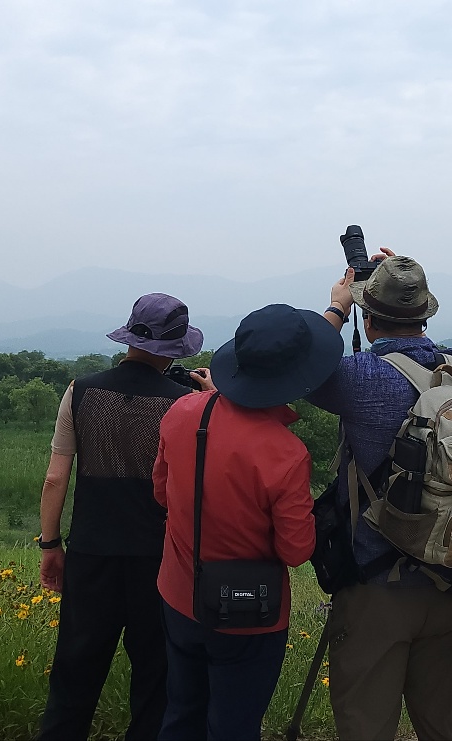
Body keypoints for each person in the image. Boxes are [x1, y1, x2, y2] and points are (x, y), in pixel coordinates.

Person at [153, 303, 341, 741]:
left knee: (181, 712)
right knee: (234, 724)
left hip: (179, 591)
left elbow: (161, 493)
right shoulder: (286, 452)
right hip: (248, 612)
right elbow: (296, 551)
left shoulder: (183, 412)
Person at [310, 252, 452, 741]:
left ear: (368, 313)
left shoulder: (358, 378)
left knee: (366, 723)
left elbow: (304, 368)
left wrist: (337, 309)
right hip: (449, 577)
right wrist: (404, 273)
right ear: (425, 311)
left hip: (376, 581)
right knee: (445, 722)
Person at [36, 293, 212, 741]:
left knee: (74, 671)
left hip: (92, 551)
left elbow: (56, 479)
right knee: (155, 677)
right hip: (160, 558)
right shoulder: (186, 404)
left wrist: (51, 545)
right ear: (175, 348)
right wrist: (213, 399)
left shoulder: (82, 390)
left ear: (130, 336)